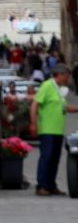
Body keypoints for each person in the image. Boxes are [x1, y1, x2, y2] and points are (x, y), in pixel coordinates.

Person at [29, 64, 78, 196]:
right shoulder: (47, 86)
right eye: (67, 76)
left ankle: (51, 185)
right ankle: (41, 186)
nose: (68, 79)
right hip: (47, 129)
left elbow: (64, 108)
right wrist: (33, 123)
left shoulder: (59, 90)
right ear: (60, 75)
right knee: (47, 157)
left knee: (55, 159)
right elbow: (35, 104)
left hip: (57, 130)